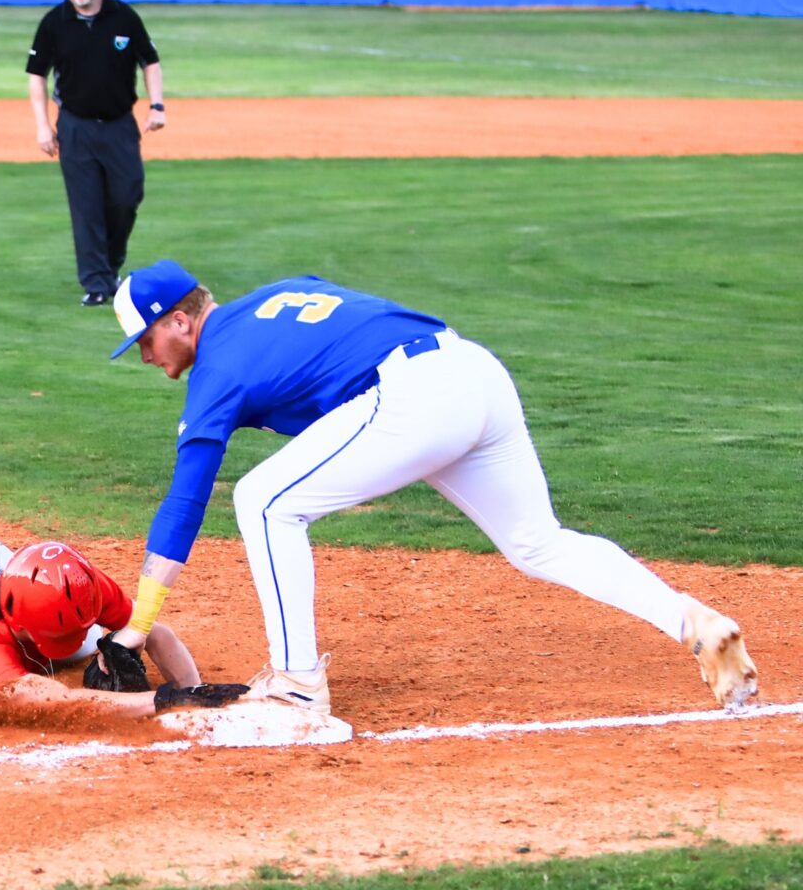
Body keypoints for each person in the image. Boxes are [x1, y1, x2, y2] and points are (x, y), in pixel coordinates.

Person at [102, 260, 759, 716]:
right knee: (539, 543)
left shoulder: (217, 368)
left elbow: (187, 499)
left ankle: (298, 686)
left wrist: (138, 627)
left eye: (145, 338)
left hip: (415, 397)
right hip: (472, 371)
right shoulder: (282, 294)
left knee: (262, 500)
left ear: (181, 322)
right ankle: (690, 619)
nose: (144, 355)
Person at [0, 386, 206, 716]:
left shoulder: (74, 580)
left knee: (50, 601)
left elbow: (152, 630)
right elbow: (60, 701)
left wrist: (194, 692)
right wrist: (165, 699)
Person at [26, 0, 166, 307]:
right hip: (75, 126)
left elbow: (150, 61)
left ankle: (111, 265)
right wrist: (43, 126)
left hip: (119, 124)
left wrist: (157, 105)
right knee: (86, 206)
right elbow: (36, 75)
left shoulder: (124, 16)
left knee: (126, 197)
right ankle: (97, 284)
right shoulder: (54, 23)